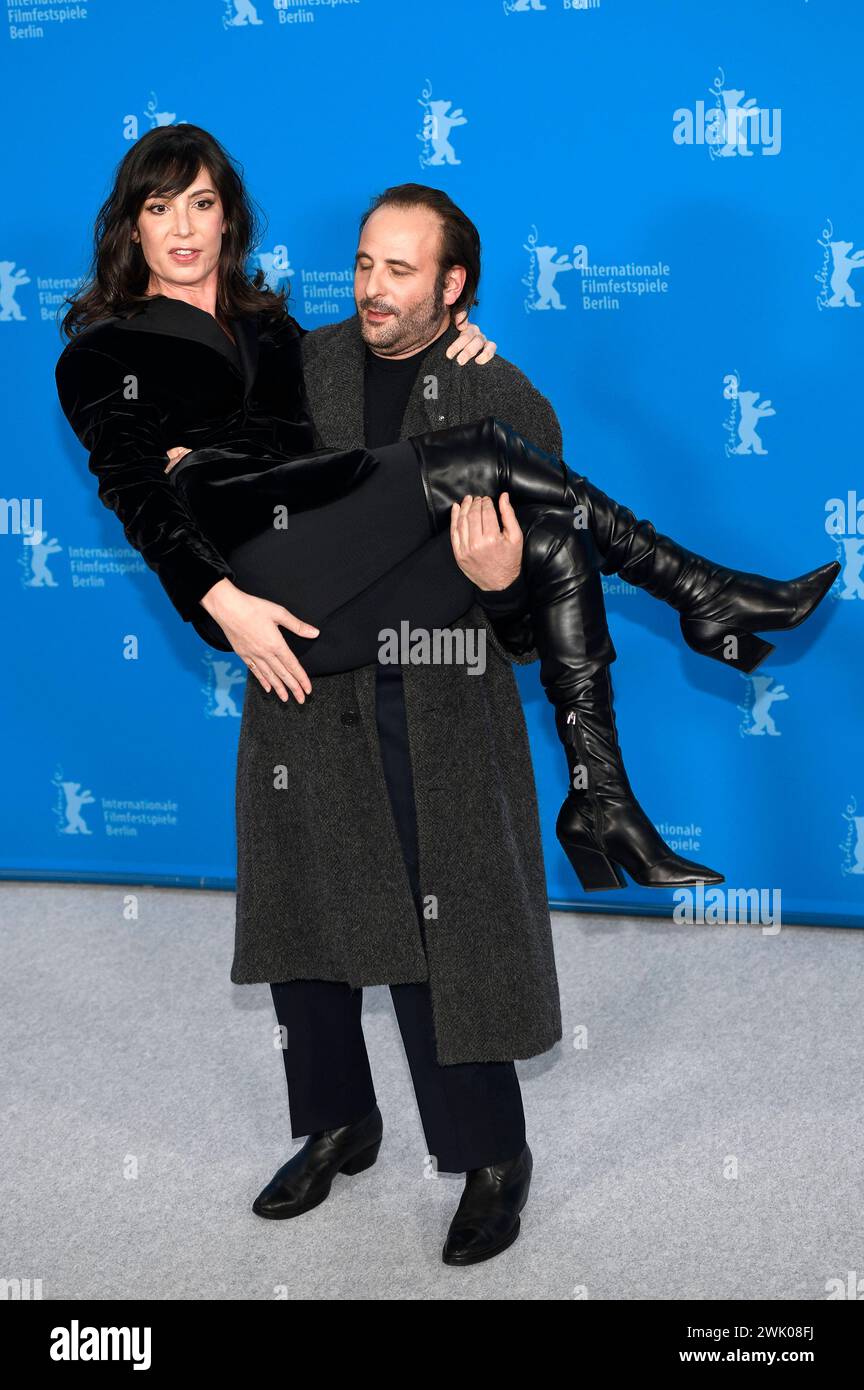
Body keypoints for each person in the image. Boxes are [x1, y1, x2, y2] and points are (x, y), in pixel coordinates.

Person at [55, 124, 838, 1266]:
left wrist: (494, 577)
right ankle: (337, 1120)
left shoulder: (440, 372)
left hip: (433, 684)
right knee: (305, 919)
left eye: (202, 204)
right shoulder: (215, 353)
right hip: (297, 658)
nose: (374, 288)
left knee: (446, 924)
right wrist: (215, 593)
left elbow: (528, 611)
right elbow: (147, 489)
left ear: (454, 286)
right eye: (157, 208)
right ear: (131, 225)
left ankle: (488, 1156)